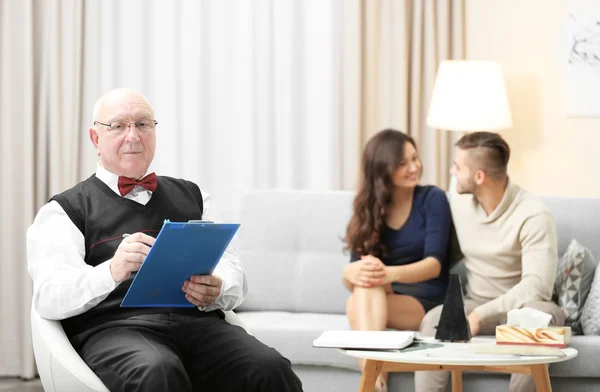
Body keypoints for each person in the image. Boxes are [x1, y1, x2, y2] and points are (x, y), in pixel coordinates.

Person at [27, 88, 303, 392]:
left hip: (199, 327)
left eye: (143, 124)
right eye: (118, 126)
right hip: (115, 331)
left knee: (270, 368)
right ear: (96, 139)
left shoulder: (194, 196)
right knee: (157, 370)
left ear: (154, 132)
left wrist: (219, 285)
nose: (133, 136)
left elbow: (233, 270)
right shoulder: (65, 210)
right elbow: (48, 297)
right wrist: (110, 271)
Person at [415, 132, 564, 392]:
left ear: (479, 176)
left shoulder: (534, 215)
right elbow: (439, 256)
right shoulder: (459, 206)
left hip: (522, 306)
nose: (452, 171)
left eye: (458, 167)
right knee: (433, 320)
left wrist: (480, 315)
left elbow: (537, 286)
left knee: (540, 317)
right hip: (476, 302)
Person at [343, 129, 453, 392]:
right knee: (359, 292)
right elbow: (357, 278)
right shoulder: (368, 207)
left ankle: (371, 383)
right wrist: (349, 272)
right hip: (382, 296)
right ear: (383, 169)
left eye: (415, 159)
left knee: (355, 304)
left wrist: (387, 274)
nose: (414, 167)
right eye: (403, 163)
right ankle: (376, 383)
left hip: (428, 298)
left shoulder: (432, 199)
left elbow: (434, 264)